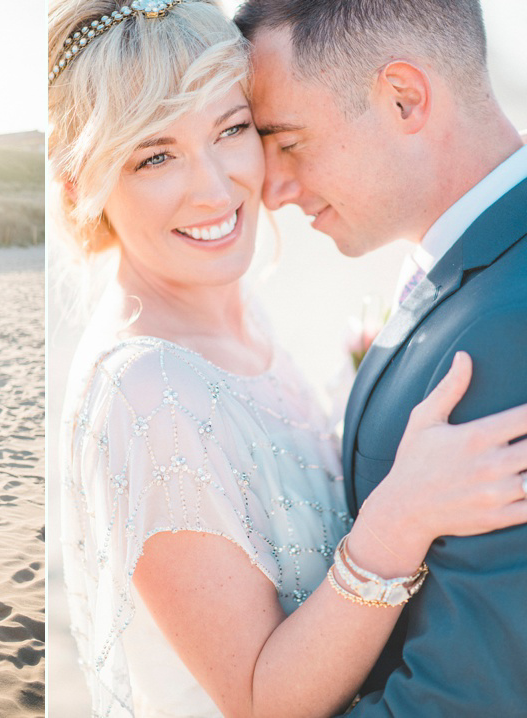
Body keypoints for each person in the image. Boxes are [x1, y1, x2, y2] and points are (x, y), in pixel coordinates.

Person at [48, 1, 527, 716]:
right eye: (154, 155)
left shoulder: (242, 318)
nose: (222, 187)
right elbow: (257, 700)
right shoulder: (143, 392)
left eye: (235, 129)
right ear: (82, 188)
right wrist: (393, 525)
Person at [234, 0, 527, 713]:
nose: (270, 189)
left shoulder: (506, 330)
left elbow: (466, 699)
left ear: (404, 98)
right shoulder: (472, 271)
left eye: (289, 140)